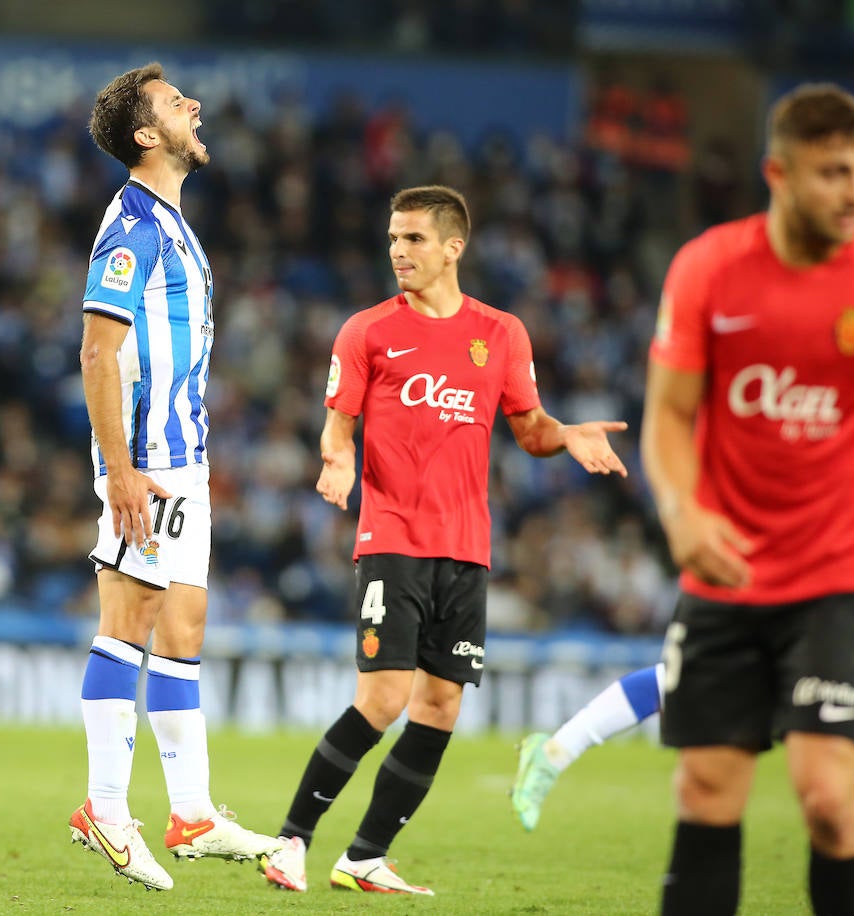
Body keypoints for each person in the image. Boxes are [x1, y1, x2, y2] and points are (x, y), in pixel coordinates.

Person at [259, 185, 628, 895]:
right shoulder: (366, 330)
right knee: (385, 696)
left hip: (466, 548)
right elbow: (339, 422)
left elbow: (529, 428)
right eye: (394, 238)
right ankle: (291, 841)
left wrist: (569, 434)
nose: (399, 251)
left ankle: (365, 856)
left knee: (441, 706)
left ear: (454, 246)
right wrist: (337, 461)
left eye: (415, 239)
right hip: (392, 534)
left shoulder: (503, 333)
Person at [643, 83, 854, 915]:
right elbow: (668, 414)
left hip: (840, 578)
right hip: (725, 572)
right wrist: (681, 509)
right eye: (832, 173)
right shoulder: (709, 268)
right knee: (705, 788)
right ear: (778, 173)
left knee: (826, 797)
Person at [66, 63, 280, 892]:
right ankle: (106, 809)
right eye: (172, 102)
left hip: (182, 459)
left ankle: (190, 812)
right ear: (145, 136)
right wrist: (121, 469)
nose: (194, 104)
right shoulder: (132, 226)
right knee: (131, 619)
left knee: (184, 627)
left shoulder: (172, 222)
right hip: (146, 464)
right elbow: (97, 350)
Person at [511, 663, 854, 833]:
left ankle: (555, 752)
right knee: (689, 679)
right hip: (785, 582)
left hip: (827, 588)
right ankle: (556, 752)